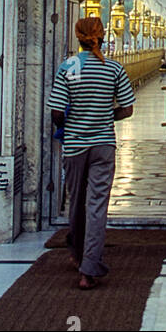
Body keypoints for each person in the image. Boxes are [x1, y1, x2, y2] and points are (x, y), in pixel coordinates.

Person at [48, 16, 135, 289]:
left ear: (78, 36)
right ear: (102, 36)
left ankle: (76, 253)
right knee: (97, 206)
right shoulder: (113, 68)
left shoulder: (69, 68)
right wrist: (104, 116)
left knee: (75, 201)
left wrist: (73, 123)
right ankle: (89, 267)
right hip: (103, 145)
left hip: (74, 146)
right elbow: (128, 108)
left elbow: (57, 112)